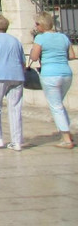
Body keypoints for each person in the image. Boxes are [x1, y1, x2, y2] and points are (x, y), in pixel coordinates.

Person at [28, 12, 75, 149]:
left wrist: (33, 51)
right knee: (59, 104)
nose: (36, 27)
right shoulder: (63, 37)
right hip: (66, 73)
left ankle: (66, 139)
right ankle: (67, 134)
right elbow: (71, 55)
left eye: (37, 24)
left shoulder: (40, 38)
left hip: (50, 74)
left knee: (56, 106)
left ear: (42, 25)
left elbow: (35, 57)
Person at [0, 14, 25, 151]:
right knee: (15, 108)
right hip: (17, 76)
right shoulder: (15, 40)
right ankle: (16, 141)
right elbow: (23, 62)